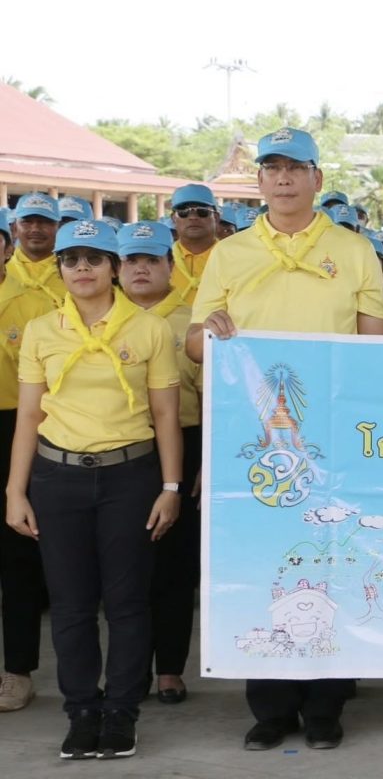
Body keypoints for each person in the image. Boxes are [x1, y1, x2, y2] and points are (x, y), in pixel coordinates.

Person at [186, 127, 383, 752]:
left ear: (316, 179)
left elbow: (375, 345)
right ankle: (270, 706)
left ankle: (326, 704)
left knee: (333, 557)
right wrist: (209, 333)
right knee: (262, 560)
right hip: (252, 440)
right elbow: (194, 345)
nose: (282, 178)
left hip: (333, 434)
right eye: (271, 167)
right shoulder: (230, 253)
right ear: (260, 181)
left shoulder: (354, 250)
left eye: (294, 168)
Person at [6, 218, 182, 759]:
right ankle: (82, 710)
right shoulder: (42, 330)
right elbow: (30, 415)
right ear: (59, 269)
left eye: (94, 258)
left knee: (127, 602)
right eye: (70, 259)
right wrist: (15, 491)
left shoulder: (149, 329)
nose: (81, 268)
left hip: (130, 476)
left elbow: (165, 414)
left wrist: (170, 486)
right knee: (71, 604)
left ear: (114, 267)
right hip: (57, 478)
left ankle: (122, 711)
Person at [117, 221, 202, 706]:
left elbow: (213, 397)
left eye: (151, 260)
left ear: (171, 266)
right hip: (121, 448)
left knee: (174, 566)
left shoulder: (193, 321)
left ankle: (169, 669)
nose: (141, 269)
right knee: (123, 569)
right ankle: (128, 672)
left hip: (185, 444)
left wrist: (206, 460)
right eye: (131, 260)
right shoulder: (99, 318)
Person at [0, 209, 53, 714]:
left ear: (6, 245)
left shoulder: (37, 304)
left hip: (16, 427)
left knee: (16, 554)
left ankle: (17, 671)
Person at [7, 193, 65, 309]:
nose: (35, 229)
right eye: (27, 222)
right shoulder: (2, 270)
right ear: (15, 229)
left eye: (45, 221)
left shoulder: (74, 272)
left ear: (59, 228)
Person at [170, 184, 220, 306]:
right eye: (183, 212)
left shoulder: (233, 257)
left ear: (216, 217)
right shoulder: (161, 260)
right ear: (173, 219)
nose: (193, 217)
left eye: (202, 212)